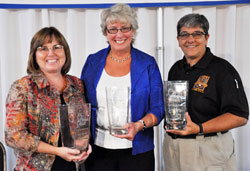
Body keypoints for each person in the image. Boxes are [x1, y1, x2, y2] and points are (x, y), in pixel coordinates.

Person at [80, 3, 164, 171]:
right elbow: (81, 102)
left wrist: (139, 125)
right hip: (98, 149)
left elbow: (159, 108)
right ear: (105, 32)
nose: (119, 34)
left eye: (125, 28)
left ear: (133, 31)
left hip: (138, 150)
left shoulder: (148, 64)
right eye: (113, 29)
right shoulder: (93, 61)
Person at [163, 13, 249, 171]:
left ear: (207, 37)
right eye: (184, 35)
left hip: (208, 149)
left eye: (197, 34)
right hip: (173, 148)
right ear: (178, 40)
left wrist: (199, 128)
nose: (190, 40)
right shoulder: (175, 68)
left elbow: (240, 116)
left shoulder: (223, 70)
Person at [5, 27, 91, 171]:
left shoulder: (77, 84)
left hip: (74, 166)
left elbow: (82, 125)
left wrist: (86, 146)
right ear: (34, 55)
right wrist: (56, 151)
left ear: (65, 52)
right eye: (43, 48)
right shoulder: (23, 87)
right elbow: (13, 136)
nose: (51, 53)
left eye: (57, 47)